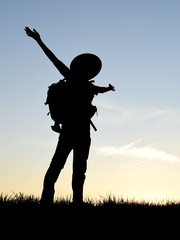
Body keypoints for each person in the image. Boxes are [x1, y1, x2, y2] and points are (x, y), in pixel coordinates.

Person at [24, 26, 115, 206]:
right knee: (72, 169)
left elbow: (99, 90)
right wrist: (38, 41)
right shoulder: (74, 79)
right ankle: (68, 202)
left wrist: (108, 89)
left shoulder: (86, 85)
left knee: (65, 168)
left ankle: (54, 202)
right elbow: (54, 59)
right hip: (76, 131)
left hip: (75, 131)